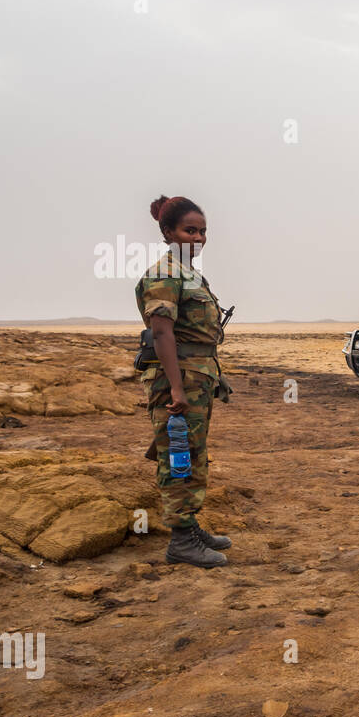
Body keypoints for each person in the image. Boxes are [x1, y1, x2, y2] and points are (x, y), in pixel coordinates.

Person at [136, 195, 233, 568]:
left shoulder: (189, 273)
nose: (198, 238)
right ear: (167, 232)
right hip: (176, 379)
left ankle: (189, 527)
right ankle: (180, 542)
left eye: (202, 231)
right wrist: (176, 388)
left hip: (196, 376)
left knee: (192, 452)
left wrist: (213, 375)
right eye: (189, 230)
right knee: (178, 454)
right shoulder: (165, 274)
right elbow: (162, 333)